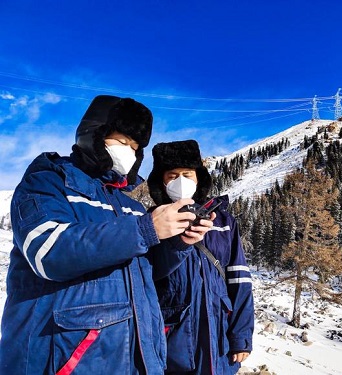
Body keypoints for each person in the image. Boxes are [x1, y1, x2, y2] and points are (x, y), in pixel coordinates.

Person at [0, 95, 213, 374]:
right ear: (95, 132)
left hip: (133, 360)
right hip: (65, 358)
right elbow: (47, 251)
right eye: (122, 141)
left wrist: (178, 242)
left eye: (136, 147)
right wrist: (145, 229)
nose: (130, 152)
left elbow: (148, 270)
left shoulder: (130, 205)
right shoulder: (49, 179)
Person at [147, 140, 254, 375]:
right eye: (172, 175)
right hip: (171, 337)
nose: (181, 181)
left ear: (199, 179)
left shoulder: (224, 222)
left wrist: (241, 335)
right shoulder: (151, 221)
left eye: (187, 174)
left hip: (219, 337)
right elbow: (146, 274)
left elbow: (240, 280)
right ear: (161, 181)